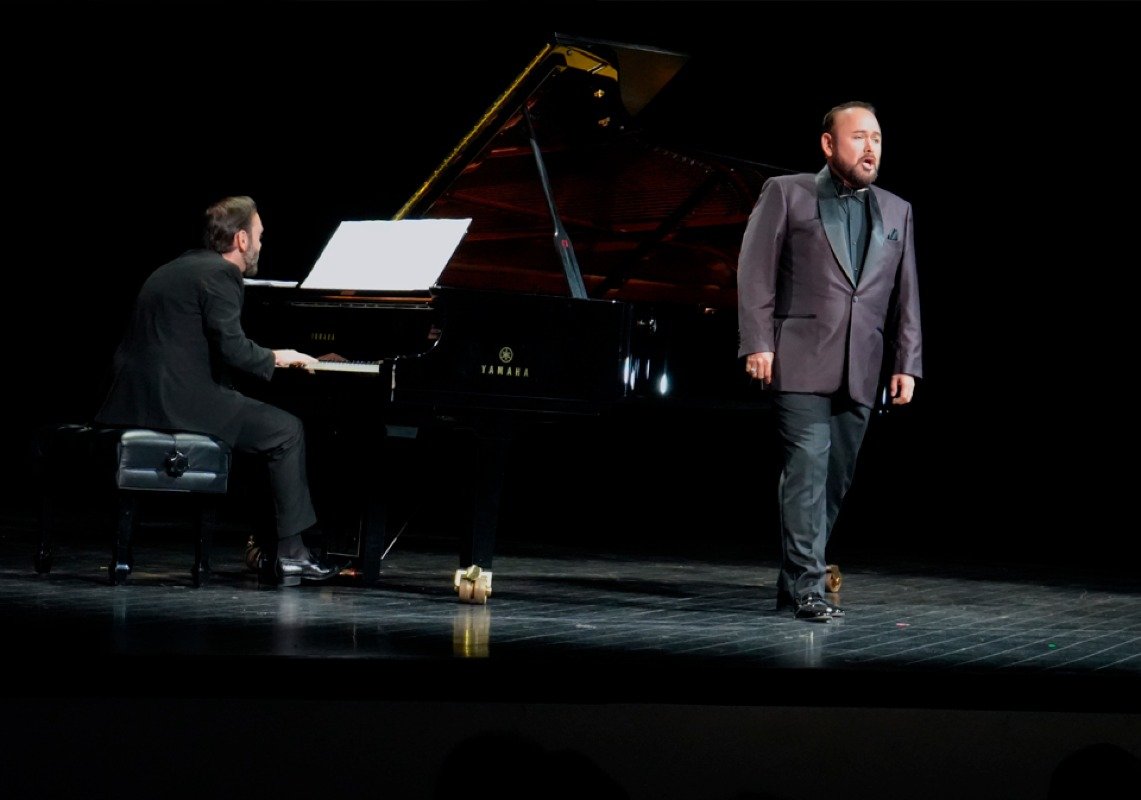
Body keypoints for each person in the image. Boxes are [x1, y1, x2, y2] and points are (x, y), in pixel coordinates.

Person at [737, 101, 923, 622]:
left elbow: (907, 293)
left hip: (862, 364)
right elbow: (754, 270)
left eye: (877, 139)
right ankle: (809, 587)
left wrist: (907, 362)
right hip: (799, 358)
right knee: (807, 467)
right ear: (828, 144)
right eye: (859, 136)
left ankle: (794, 582)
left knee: (835, 479)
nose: (870, 147)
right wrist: (757, 341)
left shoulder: (897, 209)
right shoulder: (787, 192)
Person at [95, 195, 341, 587]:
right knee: (285, 431)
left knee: (262, 428)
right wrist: (279, 356)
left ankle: (264, 544)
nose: (261, 244)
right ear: (241, 239)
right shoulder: (223, 274)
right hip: (178, 402)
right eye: (259, 235)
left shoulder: (176, 266)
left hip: (132, 399)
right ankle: (292, 555)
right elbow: (233, 349)